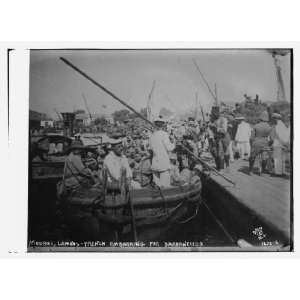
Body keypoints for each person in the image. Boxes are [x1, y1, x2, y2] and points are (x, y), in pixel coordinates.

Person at [149, 117, 175, 187]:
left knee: (157, 187)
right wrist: (174, 143)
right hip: (163, 163)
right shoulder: (164, 134)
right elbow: (169, 148)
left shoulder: (152, 136)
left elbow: (150, 149)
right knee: (165, 187)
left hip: (155, 163)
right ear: (163, 125)